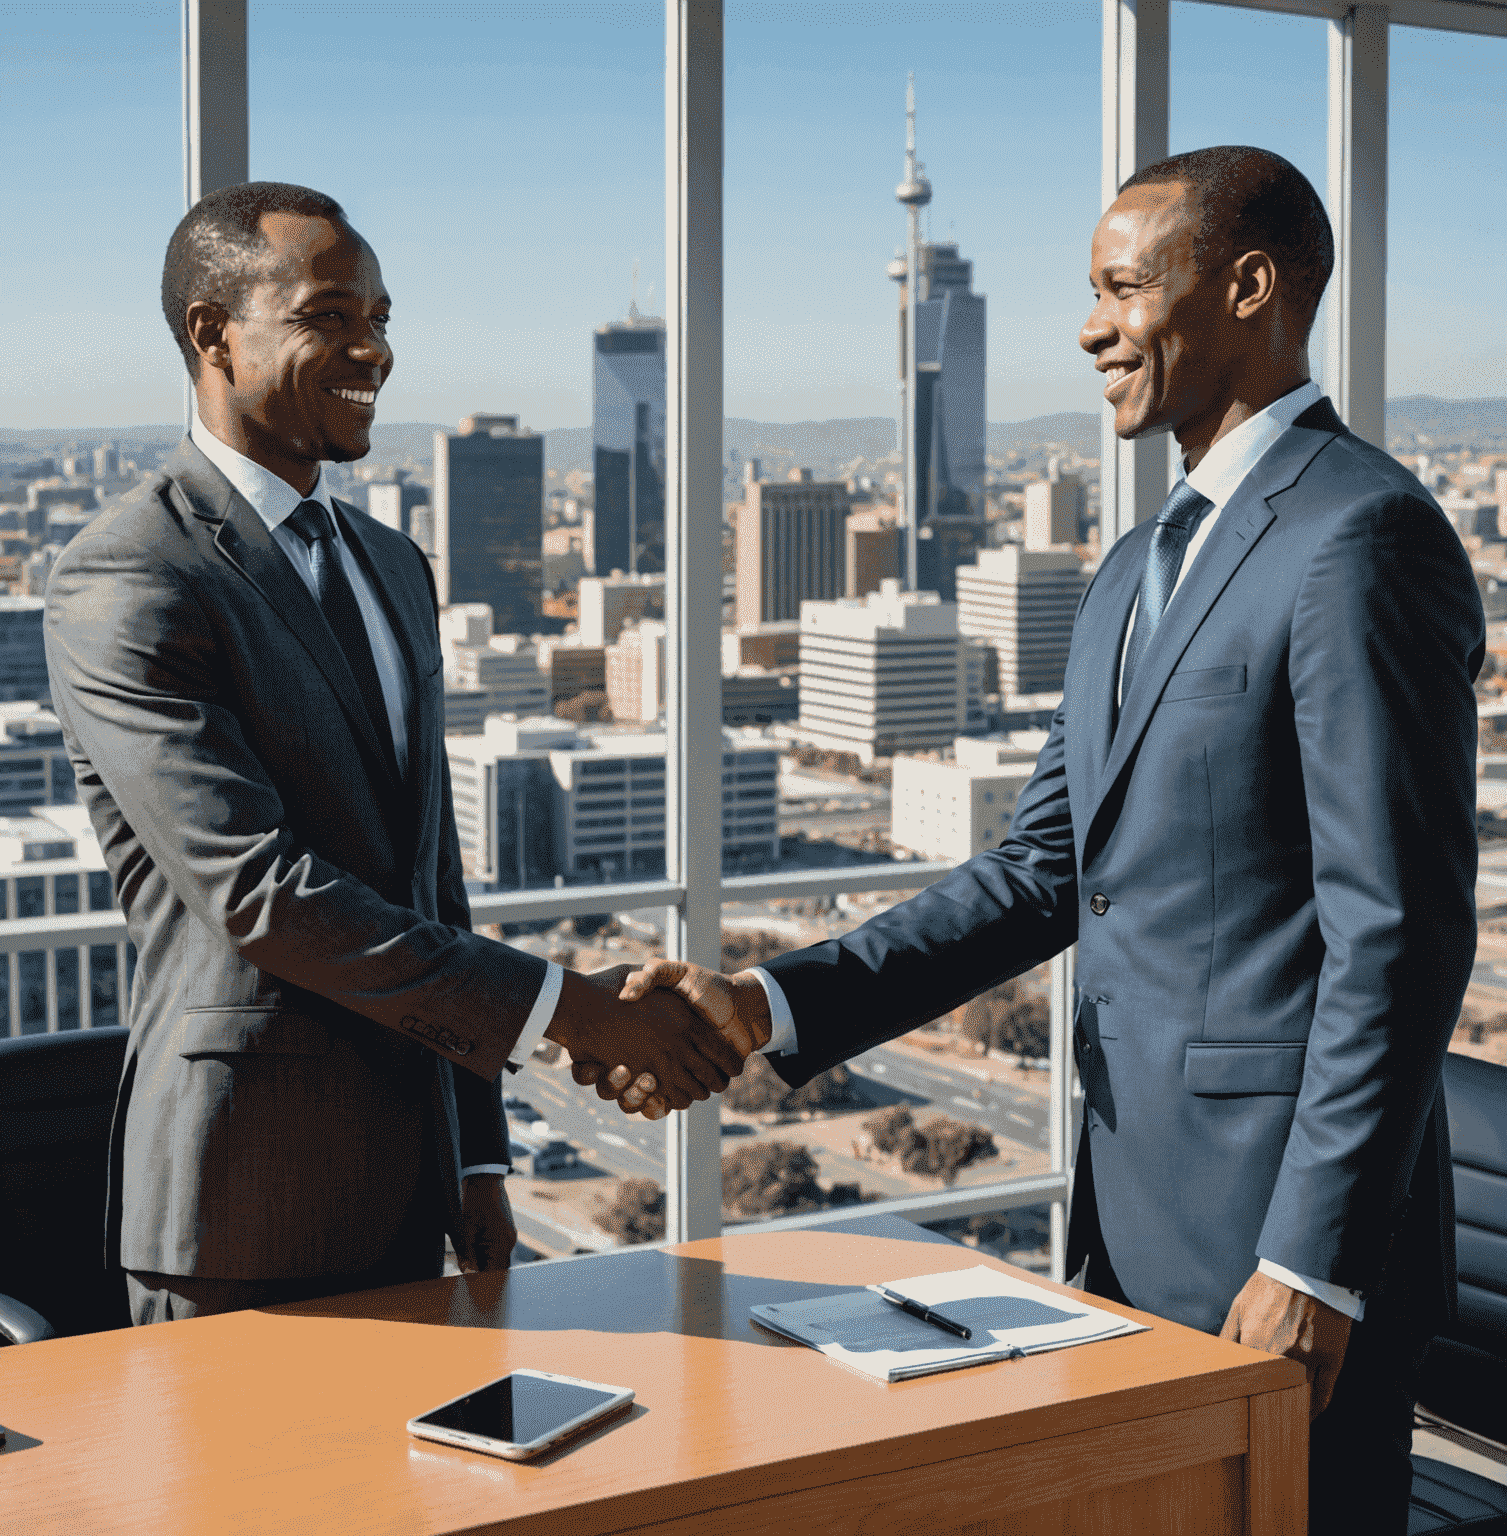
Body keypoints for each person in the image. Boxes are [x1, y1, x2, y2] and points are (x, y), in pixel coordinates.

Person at [605, 147, 1483, 1534]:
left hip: (1283, 1256)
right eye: (1091, 291)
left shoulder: (1361, 536)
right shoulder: (1136, 564)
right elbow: (1039, 876)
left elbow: (1403, 934)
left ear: (1251, 288)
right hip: (1124, 1230)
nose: (1089, 328)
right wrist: (769, 1004)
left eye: (1124, 287)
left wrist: (1314, 1263)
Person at [43, 182, 740, 1325]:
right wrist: (578, 1011)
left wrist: (475, 1156)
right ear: (212, 332)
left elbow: (431, 879)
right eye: (330, 316)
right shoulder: (131, 571)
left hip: (415, 1187)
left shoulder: (390, 566)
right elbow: (257, 891)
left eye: (381, 317)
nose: (375, 348)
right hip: (241, 1205)